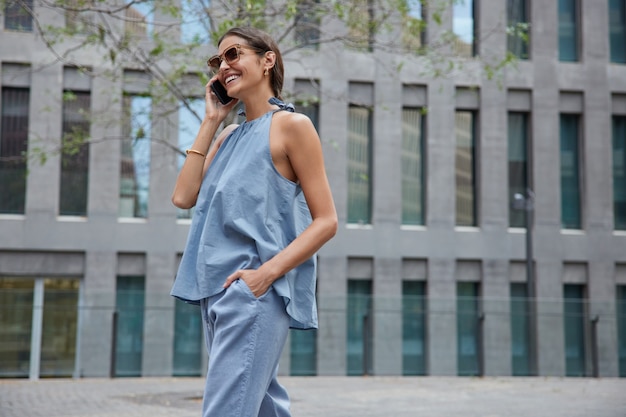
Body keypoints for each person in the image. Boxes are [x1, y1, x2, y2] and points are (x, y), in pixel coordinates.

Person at [170, 26, 337, 417]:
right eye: (217, 61)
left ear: (267, 60)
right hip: (213, 291)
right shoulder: (227, 137)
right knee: (263, 409)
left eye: (233, 54)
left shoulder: (292, 127)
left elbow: (326, 220)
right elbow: (182, 197)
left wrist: (264, 276)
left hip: (252, 293)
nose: (224, 65)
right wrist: (211, 120)